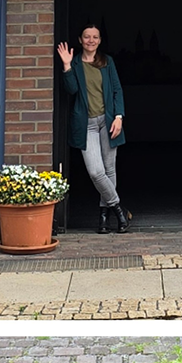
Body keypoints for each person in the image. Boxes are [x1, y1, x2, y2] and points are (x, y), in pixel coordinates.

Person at [58, 25, 129, 233]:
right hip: (86, 124)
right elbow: (71, 89)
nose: (91, 40)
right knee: (96, 172)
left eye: (95, 37)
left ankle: (103, 217)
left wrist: (119, 117)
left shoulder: (107, 62)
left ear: (100, 40)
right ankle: (119, 209)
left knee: (109, 170)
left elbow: (117, 90)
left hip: (108, 122)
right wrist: (67, 65)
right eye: (87, 37)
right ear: (80, 39)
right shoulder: (76, 63)